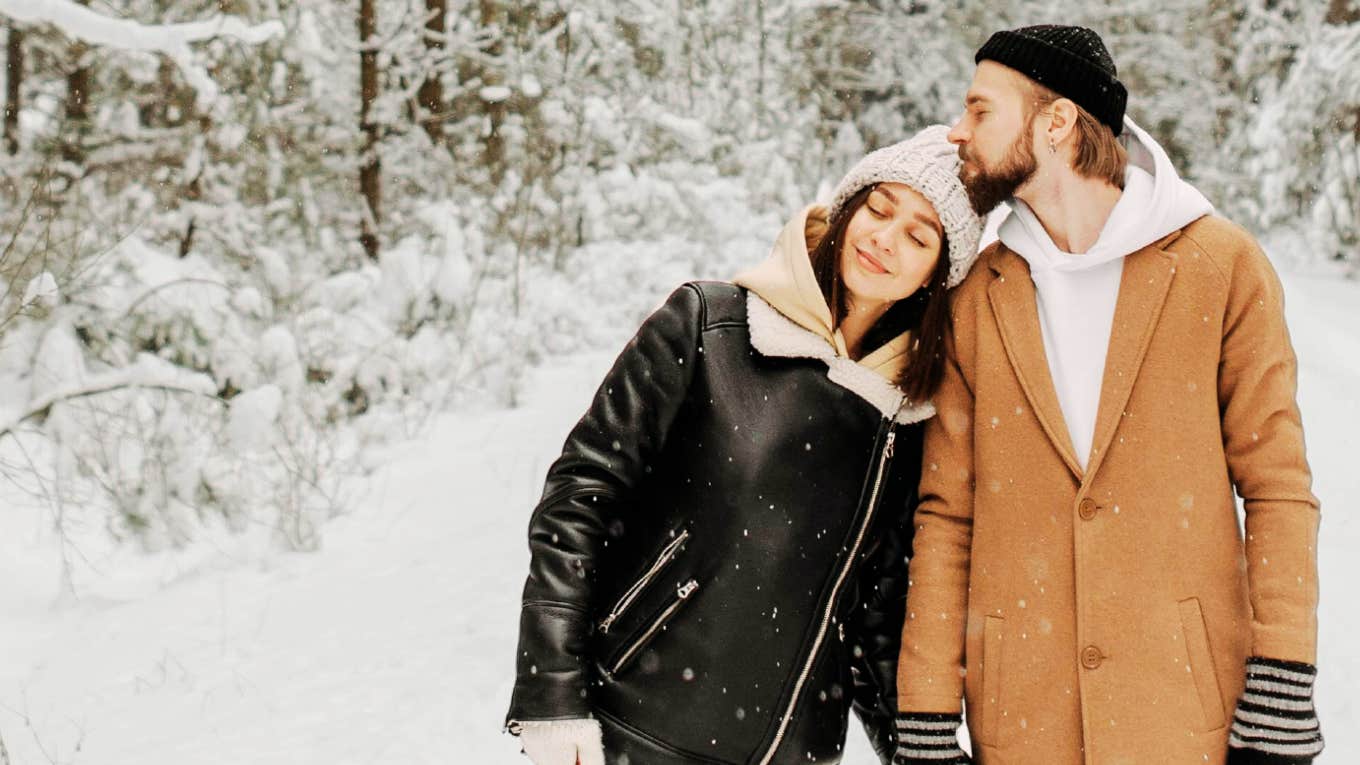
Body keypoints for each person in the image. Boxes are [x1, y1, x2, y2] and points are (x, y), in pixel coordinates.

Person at [890, 25, 1324, 765]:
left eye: (980, 110)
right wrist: (926, 713)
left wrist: (1282, 680)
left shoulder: (1223, 267)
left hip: (1183, 716)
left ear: (1056, 122)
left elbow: (1278, 486)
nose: (956, 132)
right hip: (1021, 722)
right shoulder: (976, 297)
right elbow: (946, 518)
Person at [503, 126, 983, 765]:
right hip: (630, 727)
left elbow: (872, 617)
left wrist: (919, 749)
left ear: (935, 277)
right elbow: (578, 502)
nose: (884, 239)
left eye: (919, 237)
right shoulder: (709, 325)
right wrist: (551, 694)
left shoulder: (909, 415)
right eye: (879, 207)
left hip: (790, 754)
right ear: (847, 207)